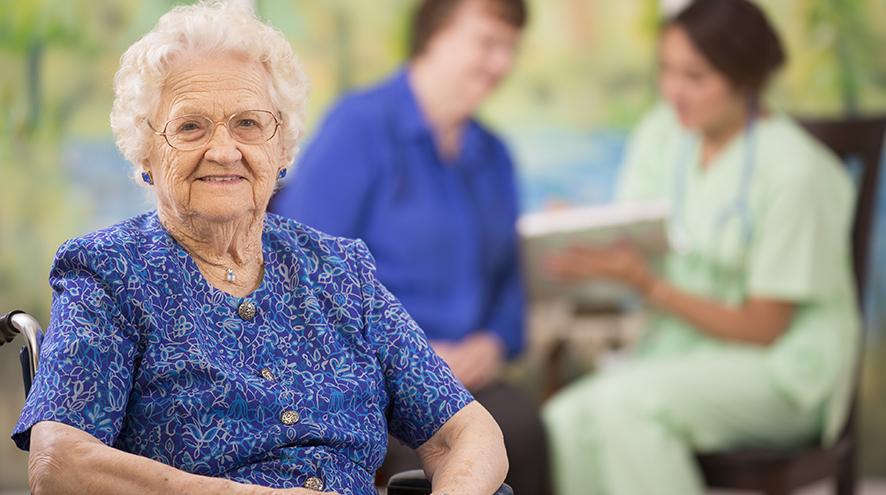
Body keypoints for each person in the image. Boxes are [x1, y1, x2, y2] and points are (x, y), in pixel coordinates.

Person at [11, 3, 509, 494]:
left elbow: (465, 433)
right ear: (145, 152)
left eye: (248, 124)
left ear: (283, 148)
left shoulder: (339, 271)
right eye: (190, 127)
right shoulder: (108, 273)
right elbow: (59, 462)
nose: (224, 150)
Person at [542, 0, 859, 494]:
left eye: (696, 77)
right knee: (562, 422)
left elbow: (765, 327)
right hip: (684, 353)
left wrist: (648, 284)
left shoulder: (796, 173)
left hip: (782, 370)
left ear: (744, 79)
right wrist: (580, 235)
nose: (674, 92)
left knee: (624, 406)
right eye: (666, 72)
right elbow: (632, 235)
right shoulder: (662, 136)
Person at [270, 0, 547, 493]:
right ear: (433, 37)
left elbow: (508, 286)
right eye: (487, 43)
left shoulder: (494, 155)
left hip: (472, 379)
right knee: (428, 450)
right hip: (375, 379)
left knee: (523, 427)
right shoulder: (358, 129)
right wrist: (411, 358)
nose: (501, 63)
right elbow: (298, 275)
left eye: (510, 48)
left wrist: (493, 343)